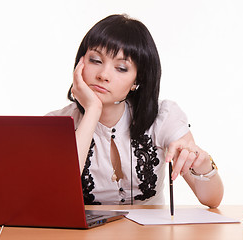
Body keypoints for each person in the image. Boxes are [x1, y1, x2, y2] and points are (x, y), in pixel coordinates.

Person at [47, 14, 224, 208]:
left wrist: (203, 164)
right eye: (95, 60)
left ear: (137, 80)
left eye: (121, 68)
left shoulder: (163, 116)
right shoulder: (57, 123)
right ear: (80, 62)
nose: (103, 75)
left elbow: (212, 200)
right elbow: (54, 194)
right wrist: (92, 110)